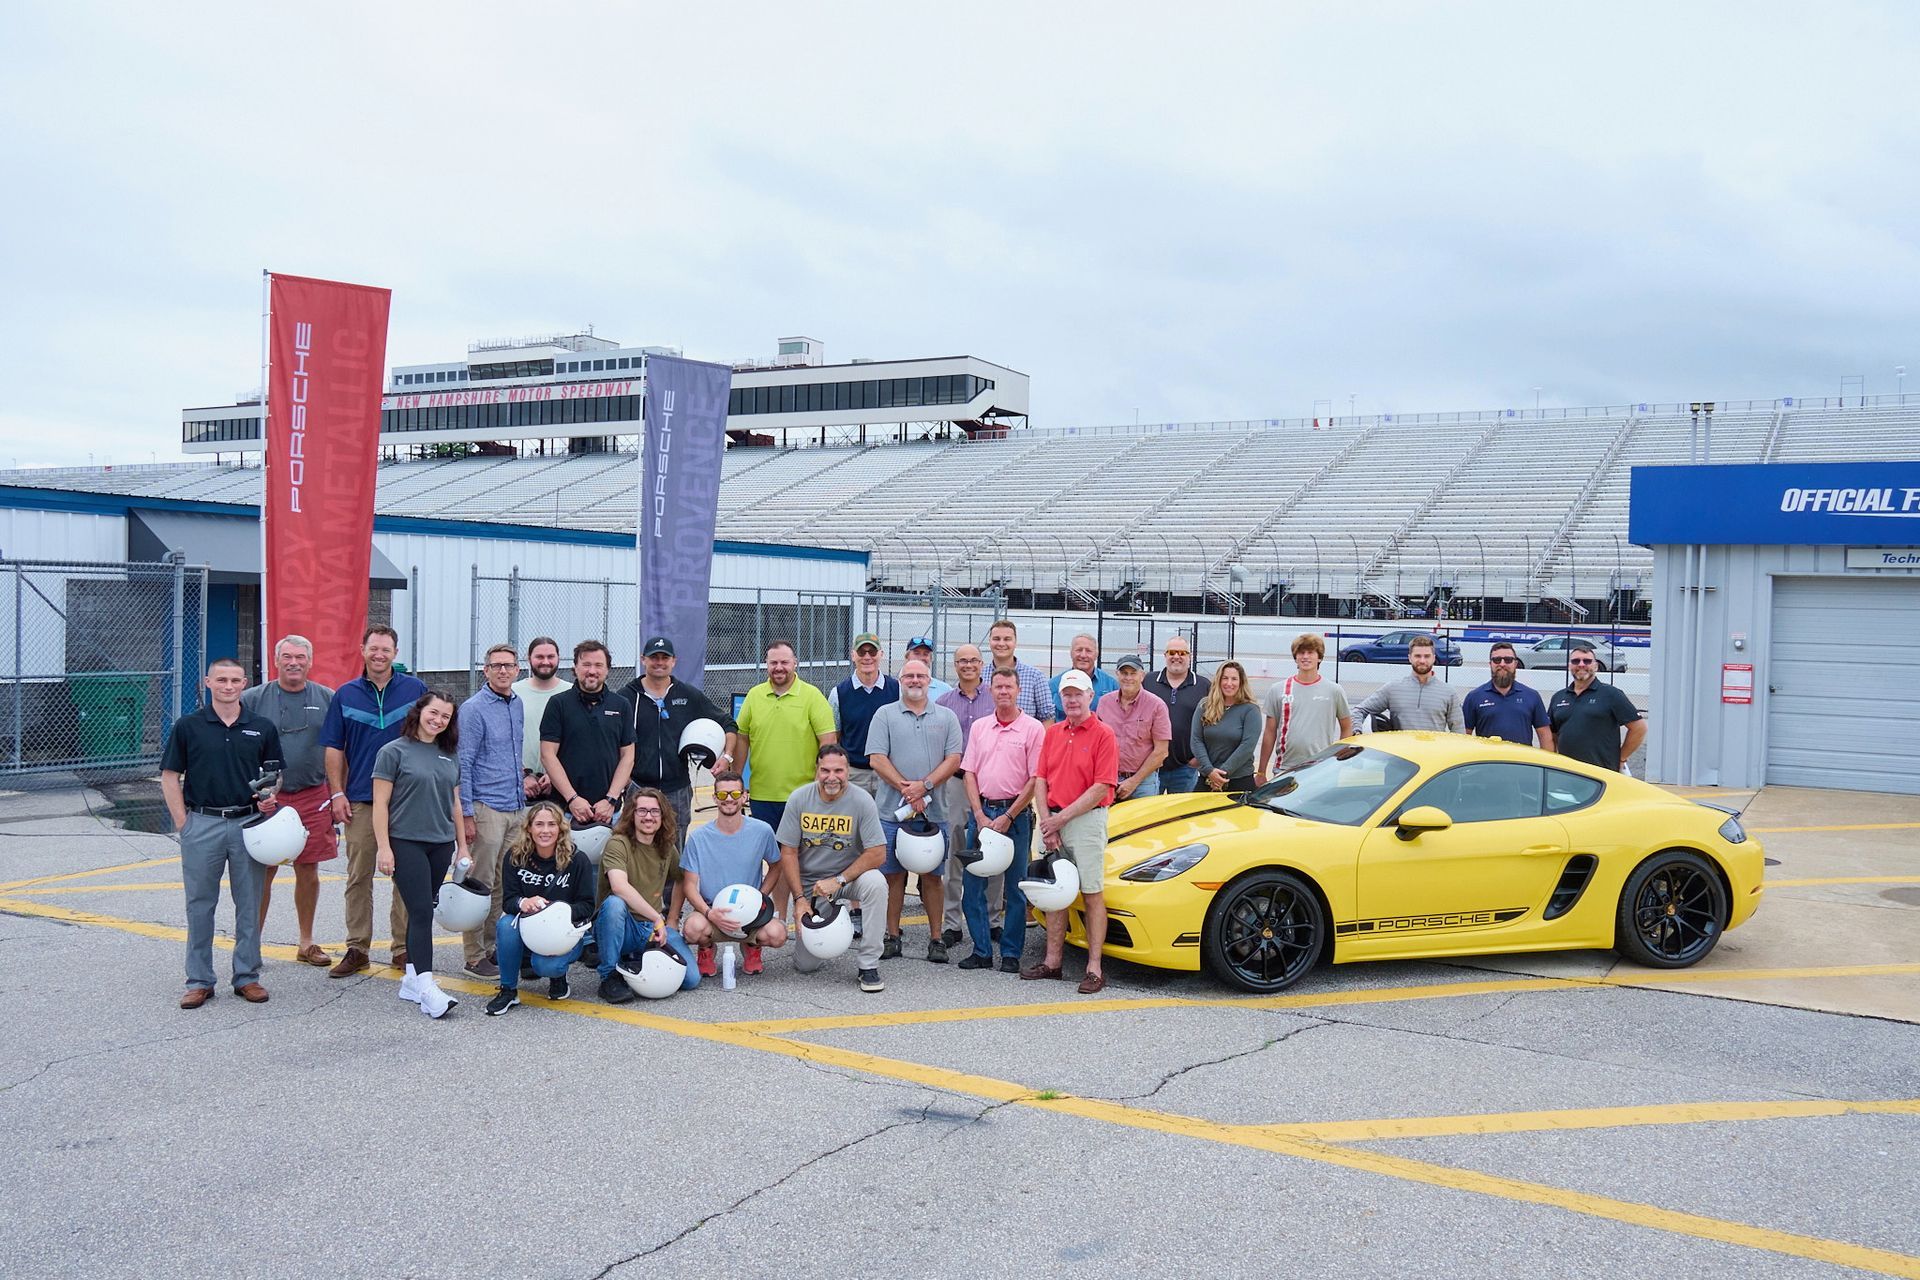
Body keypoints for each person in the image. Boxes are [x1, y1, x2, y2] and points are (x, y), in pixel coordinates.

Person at [161, 658, 282, 1009]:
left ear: (244, 683)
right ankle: (199, 980)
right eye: (221, 680)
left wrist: (270, 796)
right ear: (208, 683)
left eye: (234, 680)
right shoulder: (189, 726)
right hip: (202, 823)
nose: (228, 686)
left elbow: (275, 774)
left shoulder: (261, 727)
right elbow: (170, 776)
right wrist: (183, 822)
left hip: (248, 824)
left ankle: (247, 976)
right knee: (200, 905)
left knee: (249, 903)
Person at [320, 625, 429, 978]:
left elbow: (432, 738)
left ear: (395, 653)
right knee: (358, 876)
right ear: (362, 649)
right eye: (373, 648)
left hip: (408, 799)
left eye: (386, 649)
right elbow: (335, 748)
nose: (379, 655)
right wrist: (337, 792)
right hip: (362, 800)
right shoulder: (345, 695)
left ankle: (403, 948)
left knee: (406, 877)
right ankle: (357, 948)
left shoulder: (415, 690)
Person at [372, 689, 469, 1019]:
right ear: (419, 712)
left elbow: (455, 804)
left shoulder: (449, 754)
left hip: (440, 843)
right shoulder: (393, 752)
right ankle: (428, 988)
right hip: (405, 842)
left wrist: (462, 846)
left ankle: (412, 979)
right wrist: (384, 847)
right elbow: (380, 804)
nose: (438, 720)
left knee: (422, 909)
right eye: (434, 712)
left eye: (445, 716)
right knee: (421, 911)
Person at [241, 634, 335, 968]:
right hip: (267, 798)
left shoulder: (327, 698)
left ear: (310, 661)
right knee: (263, 870)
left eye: (300, 657)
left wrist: (339, 794)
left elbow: (340, 750)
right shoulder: (252, 699)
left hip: (312, 794)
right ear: (276, 660)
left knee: (308, 868)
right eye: (287, 657)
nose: (294, 663)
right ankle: (252, 944)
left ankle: (306, 942)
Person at [1024, 670, 1118, 994]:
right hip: (1053, 819)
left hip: (1086, 821)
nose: (1072, 699)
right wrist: (1046, 821)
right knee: (1055, 893)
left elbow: (1101, 787)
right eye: (1067, 694)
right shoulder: (1052, 734)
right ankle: (1053, 962)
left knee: (1092, 893)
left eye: (1078, 693)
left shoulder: (1104, 734)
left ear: (1090, 696)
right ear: (1060, 698)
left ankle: (1094, 967)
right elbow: (1040, 779)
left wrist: (1058, 820)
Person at [867, 657, 964, 962]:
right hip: (889, 812)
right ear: (900, 680)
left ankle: (936, 939)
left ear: (929, 679)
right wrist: (908, 790)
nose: (915, 680)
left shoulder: (946, 717)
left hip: (935, 813)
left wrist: (925, 786)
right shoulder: (884, 715)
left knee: (933, 878)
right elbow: (877, 759)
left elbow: (953, 759)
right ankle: (892, 936)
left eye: (920, 675)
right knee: (893, 876)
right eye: (908, 675)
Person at [777, 746, 890, 993]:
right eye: (825, 770)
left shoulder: (862, 800)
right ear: (816, 770)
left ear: (847, 771)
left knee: (876, 883)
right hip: (812, 886)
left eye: (838, 770)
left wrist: (839, 880)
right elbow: (788, 852)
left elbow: (878, 853)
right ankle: (831, 921)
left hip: (848, 878)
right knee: (806, 965)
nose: (832, 777)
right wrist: (799, 900)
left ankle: (868, 964)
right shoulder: (799, 799)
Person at [959, 668, 1044, 973]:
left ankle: (1011, 954)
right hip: (982, 814)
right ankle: (981, 950)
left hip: (1016, 817)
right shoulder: (981, 728)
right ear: (991, 690)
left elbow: (1035, 778)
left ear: (1018, 690)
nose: (1003, 691)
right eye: (998, 686)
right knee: (972, 886)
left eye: (1008, 686)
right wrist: (979, 815)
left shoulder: (1033, 729)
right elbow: (969, 772)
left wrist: (1009, 815)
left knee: (1016, 888)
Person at [616, 634, 739, 838]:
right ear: (643, 659)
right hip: (637, 787)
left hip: (677, 789)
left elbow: (728, 723)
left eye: (665, 658)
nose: (659, 662)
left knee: (675, 849)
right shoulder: (626, 697)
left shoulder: (687, 695)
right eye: (654, 657)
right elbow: (611, 739)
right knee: (636, 848)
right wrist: (626, 781)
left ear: (674, 661)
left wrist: (726, 757)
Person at [456, 643, 528, 982]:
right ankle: (473, 955)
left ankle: (492, 946)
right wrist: (467, 814)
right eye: (496, 665)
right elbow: (464, 763)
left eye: (508, 665)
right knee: (477, 884)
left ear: (517, 670)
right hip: (486, 808)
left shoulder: (517, 705)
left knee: (502, 884)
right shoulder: (473, 709)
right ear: (485, 670)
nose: (503, 671)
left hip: (514, 807)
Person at [487, 802, 596, 1014]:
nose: (545, 831)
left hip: (563, 931)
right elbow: (508, 901)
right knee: (506, 924)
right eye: (539, 824)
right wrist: (522, 903)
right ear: (529, 828)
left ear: (560, 828)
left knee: (546, 966)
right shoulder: (515, 856)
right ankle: (508, 990)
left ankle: (558, 977)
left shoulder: (577, 860)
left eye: (551, 824)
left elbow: (587, 905)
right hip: (529, 926)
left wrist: (555, 911)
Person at [595, 788, 699, 1003]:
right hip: (623, 926)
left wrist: (671, 920)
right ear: (631, 815)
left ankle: (634, 959)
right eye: (641, 811)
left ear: (663, 816)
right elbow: (619, 886)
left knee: (690, 979)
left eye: (655, 811)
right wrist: (656, 917)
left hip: (652, 930)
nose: (648, 817)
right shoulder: (618, 843)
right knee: (615, 904)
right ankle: (609, 977)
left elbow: (682, 879)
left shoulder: (666, 847)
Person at [679, 770, 789, 975]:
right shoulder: (698, 837)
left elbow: (776, 866)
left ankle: (752, 946)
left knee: (778, 934)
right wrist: (708, 912)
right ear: (714, 798)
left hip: (751, 912)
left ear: (745, 796)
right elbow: (689, 885)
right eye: (722, 795)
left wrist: (760, 896)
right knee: (692, 929)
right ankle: (706, 948)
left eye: (735, 794)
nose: (729, 799)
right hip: (713, 910)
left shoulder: (762, 831)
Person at [735, 639, 837, 834]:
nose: (779, 668)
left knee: (800, 856)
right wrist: (737, 781)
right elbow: (741, 739)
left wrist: (819, 787)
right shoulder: (754, 696)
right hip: (761, 796)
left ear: (795, 663)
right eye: (773, 663)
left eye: (784, 662)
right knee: (770, 856)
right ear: (766, 664)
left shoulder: (812, 696)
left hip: (803, 796)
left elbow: (828, 742)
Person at [935, 643, 997, 948]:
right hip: (958, 784)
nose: (968, 665)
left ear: (982, 664)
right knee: (956, 851)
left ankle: (994, 919)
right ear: (955, 665)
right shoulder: (944, 702)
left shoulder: (995, 698)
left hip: (992, 785)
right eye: (962, 660)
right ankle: (951, 922)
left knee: (995, 851)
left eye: (973, 660)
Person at [539, 640, 634, 831]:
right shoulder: (558, 704)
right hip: (564, 811)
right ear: (575, 667)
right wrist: (572, 799)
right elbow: (547, 755)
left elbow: (628, 756)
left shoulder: (621, 705)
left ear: (608, 669)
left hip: (609, 812)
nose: (592, 671)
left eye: (599, 665)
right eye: (586, 665)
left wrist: (611, 799)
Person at [1256, 634, 1353, 783]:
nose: (1305, 657)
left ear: (1319, 657)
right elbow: (1270, 732)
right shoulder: (1278, 689)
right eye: (1301, 653)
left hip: (1321, 769)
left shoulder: (1334, 690)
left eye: (1310, 652)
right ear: (1295, 657)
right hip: (1285, 769)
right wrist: (1261, 772)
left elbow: (1346, 727)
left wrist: (1338, 759)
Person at [1550, 642, 1646, 771]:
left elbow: (1639, 728)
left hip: (1601, 774)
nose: (1581, 664)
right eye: (1576, 661)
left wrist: (1621, 758)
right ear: (1569, 666)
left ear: (1595, 666)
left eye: (1587, 661)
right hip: (1567, 773)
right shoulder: (1558, 697)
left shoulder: (1611, 694)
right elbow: (1552, 734)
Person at [829, 632, 899, 797]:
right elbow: (835, 736)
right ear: (853, 655)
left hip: (888, 774)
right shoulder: (838, 693)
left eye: (872, 652)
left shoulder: (897, 690)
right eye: (861, 652)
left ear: (881, 654)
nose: (867, 657)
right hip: (854, 775)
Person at [1351, 635, 1465, 734]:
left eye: (1427, 656)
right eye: (1417, 656)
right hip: (1400, 758)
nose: (1422, 660)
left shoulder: (1448, 692)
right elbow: (1359, 711)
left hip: (1434, 757)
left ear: (1434, 658)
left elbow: (1459, 733)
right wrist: (1357, 731)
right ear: (1409, 657)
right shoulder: (1393, 689)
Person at [1097, 654, 1171, 800]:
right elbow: (1097, 743)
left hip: (1144, 783)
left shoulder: (1156, 705)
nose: (1128, 678)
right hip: (1109, 779)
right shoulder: (1105, 703)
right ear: (1117, 675)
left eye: (1133, 673)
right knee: (1109, 822)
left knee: (1144, 822)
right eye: (1124, 673)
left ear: (1142, 676)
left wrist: (1134, 781)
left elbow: (1161, 752)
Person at [1463, 641, 1554, 749]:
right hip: (1487, 764)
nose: (1502, 664)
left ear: (1515, 664)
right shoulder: (1474, 697)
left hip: (1522, 763)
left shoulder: (1532, 696)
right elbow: (1464, 737)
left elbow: (1545, 736)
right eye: (1497, 660)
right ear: (1490, 664)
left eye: (1508, 660)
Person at [1148, 635, 1210, 793]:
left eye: (1182, 653)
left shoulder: (1203, 686)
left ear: (1190, 657)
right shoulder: (1148, 682)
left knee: (1180, 816)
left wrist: (1197, 760)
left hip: (1186, 769)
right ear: (1165, 655)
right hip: (1151, 768)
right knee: (1152, 815)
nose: (1176, 657)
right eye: (1172, 652)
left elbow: (1213, 725)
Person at [1191, 660, 1263, 793]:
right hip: (1207, 778)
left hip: (1239, 782)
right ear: (1218, 680)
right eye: (1225, 678)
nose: (1229, 683)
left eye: (1234, 679)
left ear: (1241, 682)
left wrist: (1222, 774)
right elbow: (1196, 740)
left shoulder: (1250, 710)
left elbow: (1247, 746)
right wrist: (1209, 771)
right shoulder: (1204, 705)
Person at [512, 637, 570, 801]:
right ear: (528, 658)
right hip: (520, 786)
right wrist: (523, 775)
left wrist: (555, 775)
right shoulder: (513, 693)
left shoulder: (571, 693)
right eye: (539, 657)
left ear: (558, 658)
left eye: (550, 656)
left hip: (560, 788)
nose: (545, 662)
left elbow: (577, 742)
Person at [986, 618, 1055, 724]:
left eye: (1007, 639)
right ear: (989, 641)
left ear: (1015, 642)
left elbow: (1047, 717)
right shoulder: (979, 676)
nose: (1001, 643)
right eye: (996, 638)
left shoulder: (1035, 677)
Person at [1050, 633, 1119, 718]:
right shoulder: (1053, 685)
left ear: (1096, 654)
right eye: (1079, 650)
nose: (1083, 655)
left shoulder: (1111, 685)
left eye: (1088, 651)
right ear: (1071, 653)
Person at [905, 635, 952, 699]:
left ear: (931, 658)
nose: (921, 657)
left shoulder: (945, 691)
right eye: (917, 653)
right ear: (907, 657)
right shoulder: (895, 688)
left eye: (925, 654)